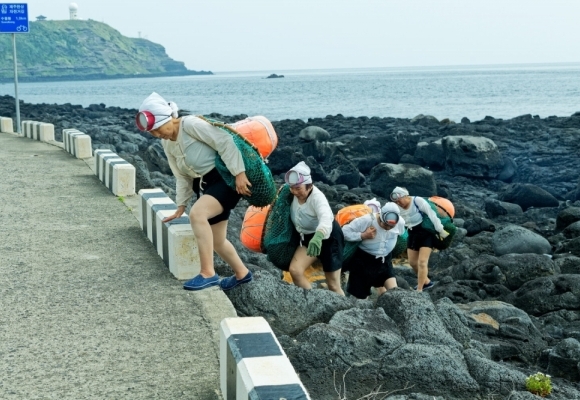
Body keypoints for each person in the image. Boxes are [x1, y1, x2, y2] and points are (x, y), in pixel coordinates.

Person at [136, 92, 252, 291]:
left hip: (224, 178)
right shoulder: (167, 143)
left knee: (198, 214)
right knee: (217, 240)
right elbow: (181, 176)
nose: (157, 135)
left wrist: (239, 173)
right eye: (152, 133)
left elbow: (224, 141)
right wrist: (180, 205)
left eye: (158, 129)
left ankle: (208, 273)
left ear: (169, 119)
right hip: (205, 185)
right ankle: (242, 274)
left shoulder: (190, 124)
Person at [285, 162, 345, 295]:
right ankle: (313, 301)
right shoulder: (292, 193)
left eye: (298, 188)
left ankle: (345, 311)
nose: (295, 192)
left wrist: (318, 237)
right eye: (292, 188)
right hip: (308, 236)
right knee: (295, 270)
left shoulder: (318, 198)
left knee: (333, 285)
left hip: (329, 237)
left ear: (309, 185)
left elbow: (326, 218)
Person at [389, 187, 449, 292]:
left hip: (426, 233)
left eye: (399, 200)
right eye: (396, 202)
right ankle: (427, 282)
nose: (399, 203)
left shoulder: (417, 201)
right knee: (412, 262)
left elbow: (432, 215)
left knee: (422, 262)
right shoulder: (397, 207)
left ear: (405, 196)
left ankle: (420, 289)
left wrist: (440, 230)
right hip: (412, 234)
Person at [342, 202, 406, 299]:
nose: (388, 228)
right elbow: (344, 231)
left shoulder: (400, 222)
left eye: (391, 227)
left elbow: (402, 235)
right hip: (363, 262)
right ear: (380, 217)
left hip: (384, 261)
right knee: (359, 298)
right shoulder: (367, 220)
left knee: (394, 294)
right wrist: (362, 235)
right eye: (385, 225)